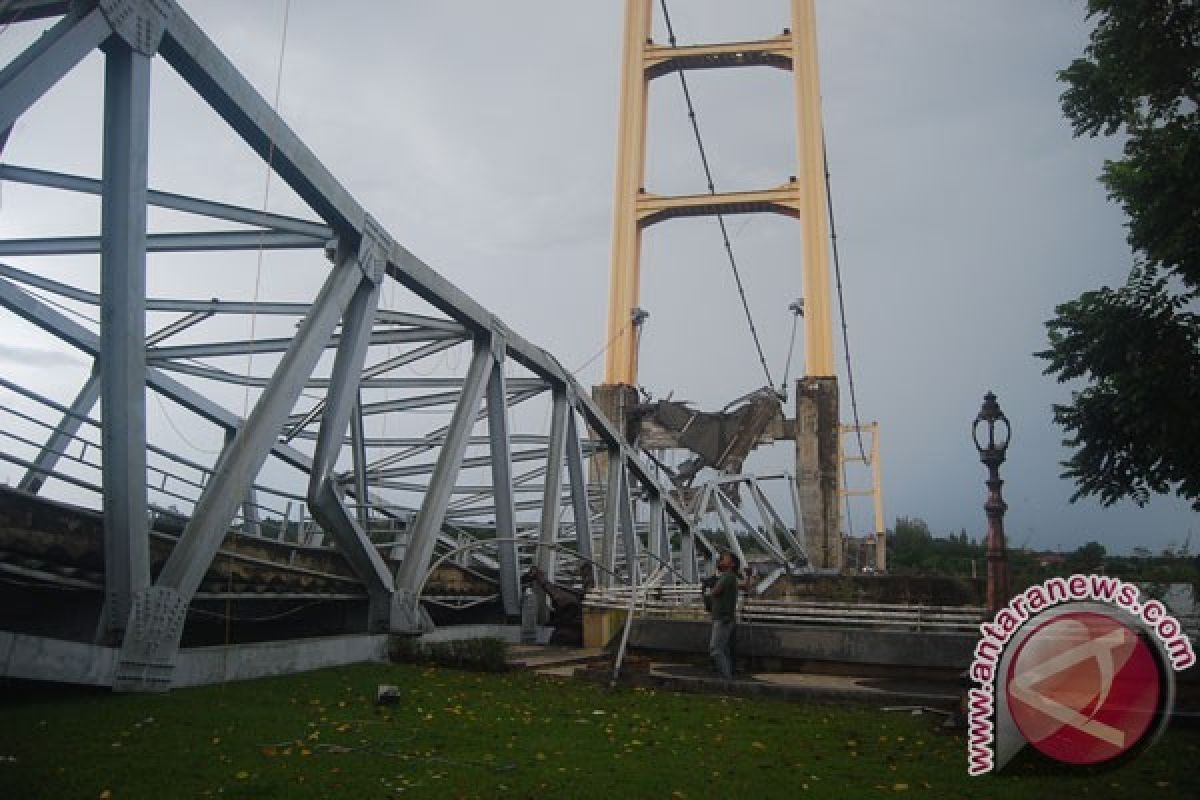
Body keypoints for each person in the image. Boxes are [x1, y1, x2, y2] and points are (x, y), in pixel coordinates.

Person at [704, 551, 751, 680]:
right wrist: (749, 576)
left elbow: (716, 592)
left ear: (732, 564)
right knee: (725, 651)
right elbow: (746, 587)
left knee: (715, 650)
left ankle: (726, 679)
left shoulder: (727, 576)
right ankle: (728, 677)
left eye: (724, 559)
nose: (720, 560)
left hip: (722, 619)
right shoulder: (731, 577)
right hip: (727, 619)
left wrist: (709, 589)